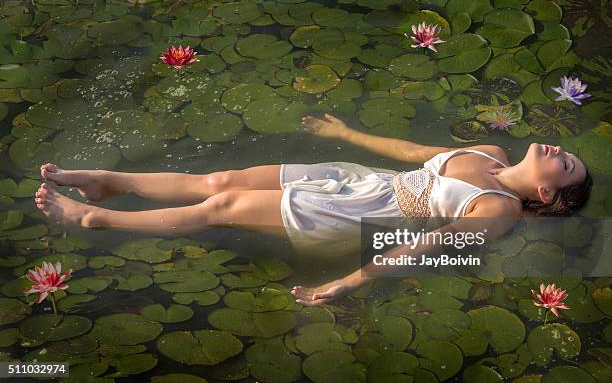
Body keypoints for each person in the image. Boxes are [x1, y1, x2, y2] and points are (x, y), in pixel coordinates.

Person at [34, 113, 592, 306]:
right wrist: (345, 132)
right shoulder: (490, 153)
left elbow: (428, 247)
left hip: (355, 220)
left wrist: (350, 282)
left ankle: (94, 218)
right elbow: (416, 156)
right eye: (568, 154)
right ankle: (110, 183)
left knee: (220, 205)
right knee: (219, 178)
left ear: (545, 195)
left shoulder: (498, 212)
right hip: (360, 181)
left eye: (565, 166)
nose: (560, 152)